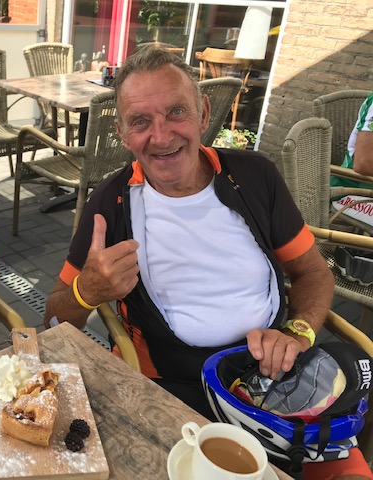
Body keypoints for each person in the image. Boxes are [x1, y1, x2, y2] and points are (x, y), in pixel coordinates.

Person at [44, 44, 372, 479]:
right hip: (172, 389)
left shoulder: (254, 176)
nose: (161, 137)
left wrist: (297, 331)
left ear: (202, 113)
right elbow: (53, 319)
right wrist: (87, 292)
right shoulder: (111, 203)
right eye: (140, 121)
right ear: (122, 134)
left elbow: (312, 272)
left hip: (275, 378)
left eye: (175, 112)